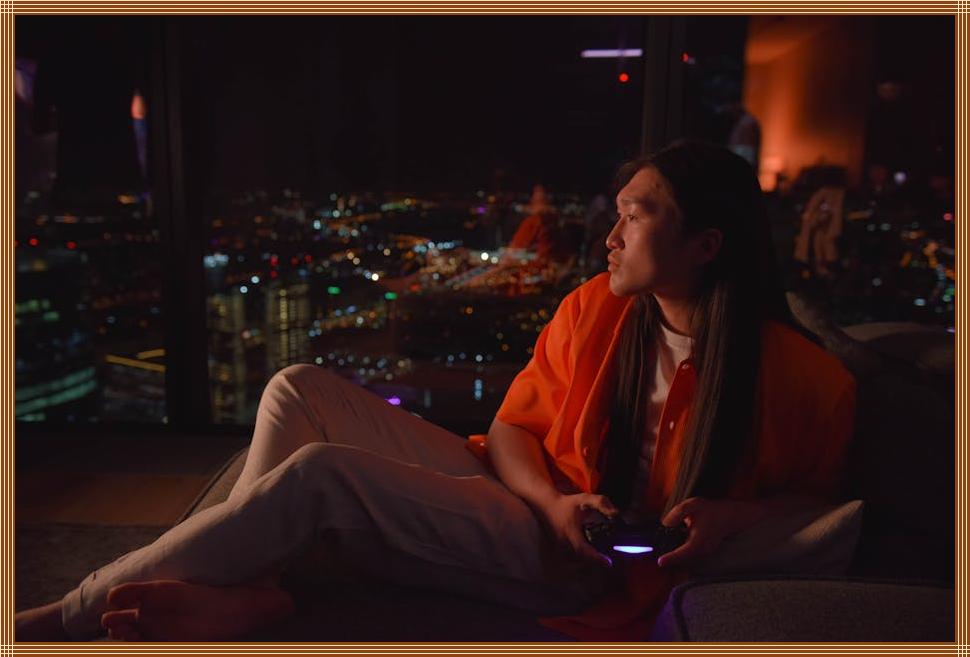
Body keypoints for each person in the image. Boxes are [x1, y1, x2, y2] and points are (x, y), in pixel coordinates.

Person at [15, 140, 856, 642]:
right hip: (536, 500)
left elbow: (823, 504)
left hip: (578, 566)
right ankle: (252, 590)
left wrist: (730, 516)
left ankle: (67, 614)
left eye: (637, 216)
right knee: (295, 388)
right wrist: (550, 500)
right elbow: (513, 430)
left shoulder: (803, 379)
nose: (611, 233)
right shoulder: (594, 309)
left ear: (705, 244)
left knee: (322, 475)